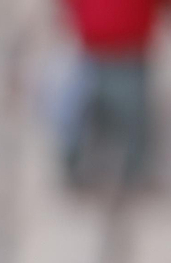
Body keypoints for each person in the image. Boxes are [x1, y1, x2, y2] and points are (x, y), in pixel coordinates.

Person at [59, 0, 166, 189]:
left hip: (130, 55)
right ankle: (80, 171)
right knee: (84, 118)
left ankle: (133, 177)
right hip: (93, 53)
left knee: (132, 121)